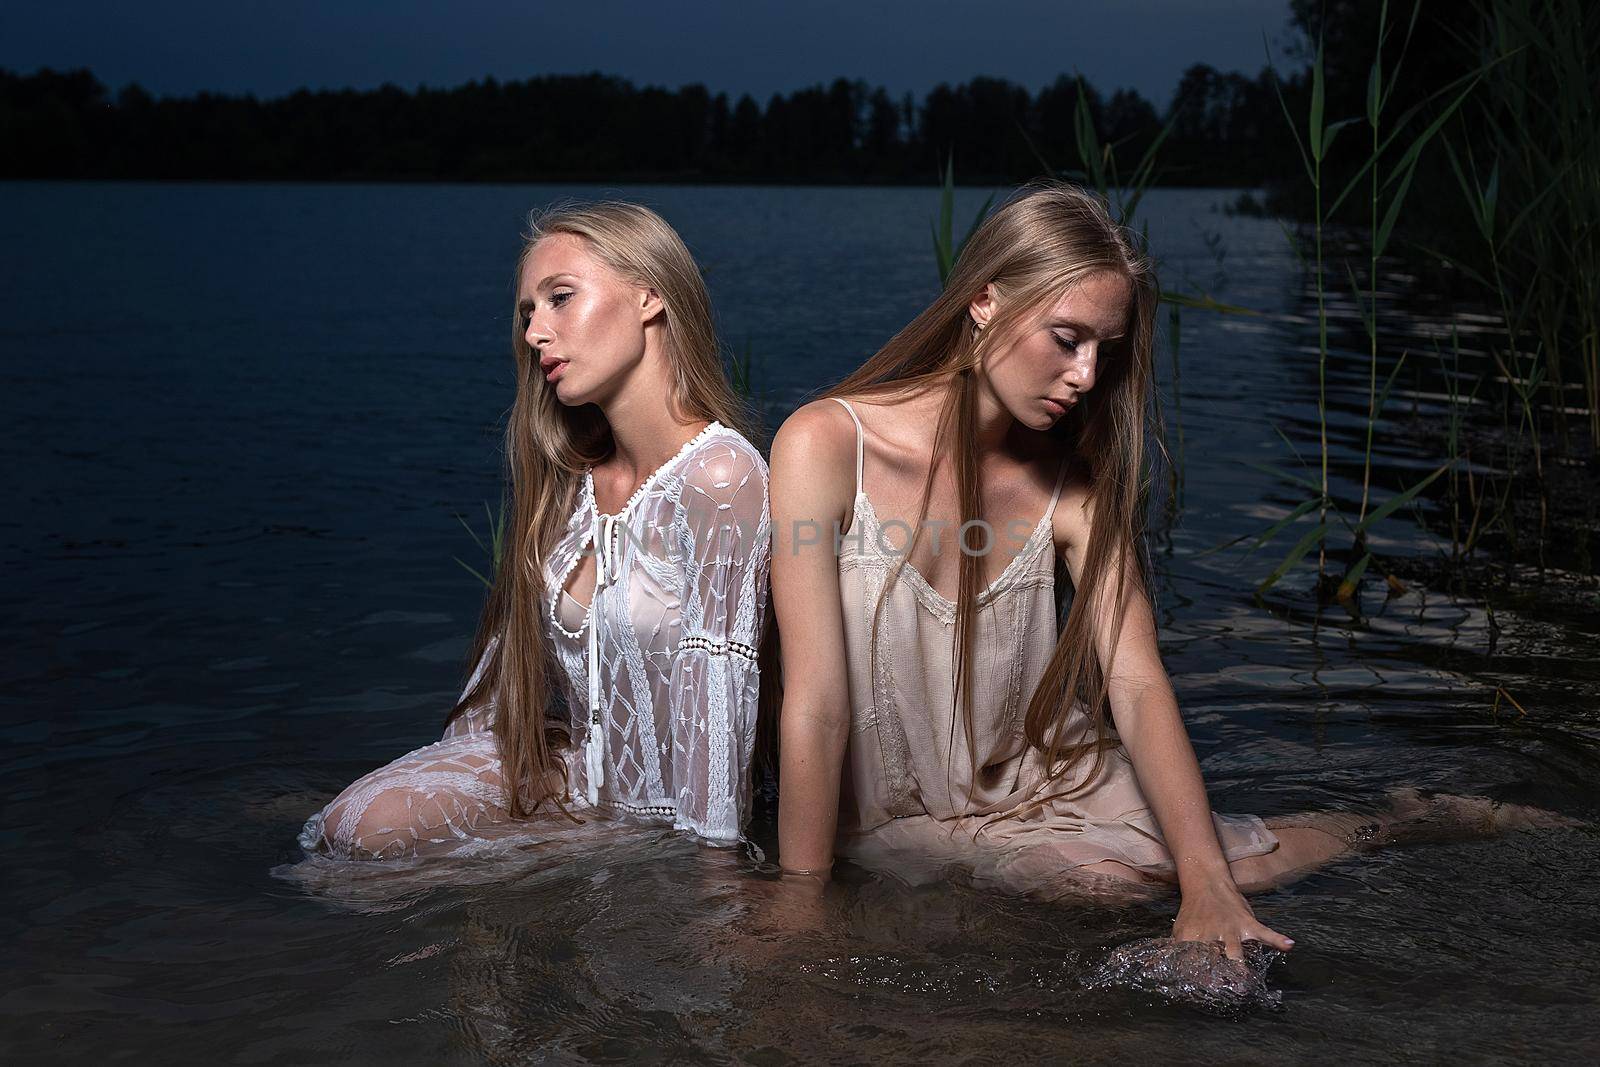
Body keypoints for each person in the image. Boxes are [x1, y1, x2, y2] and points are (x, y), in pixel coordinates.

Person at [768, 179, 1572, 961]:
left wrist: (1206, 886)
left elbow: (1139, 683)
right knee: (1115, 883)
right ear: (985, 299)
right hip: (888, 811)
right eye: (1067, 337)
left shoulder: (1073, 488)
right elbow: (817, 704)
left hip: (1039, 773)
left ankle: (1403, 817)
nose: (1086, 377)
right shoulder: (824, 445)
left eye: (1104, 351)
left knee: (1213, 872)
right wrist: (800, 897)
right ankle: (1380, 822)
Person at [299, 200, 771, 861]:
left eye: (560, 298)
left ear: (649, 297)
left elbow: (719, 706)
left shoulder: (720, 476)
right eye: (527, 314)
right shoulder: (568, 483)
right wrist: (442, 771)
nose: (534, 334)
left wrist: (709, 891)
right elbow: (502, 682)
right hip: (575, 786)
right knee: (349, 830)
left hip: (664, 827)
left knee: (364, 844)